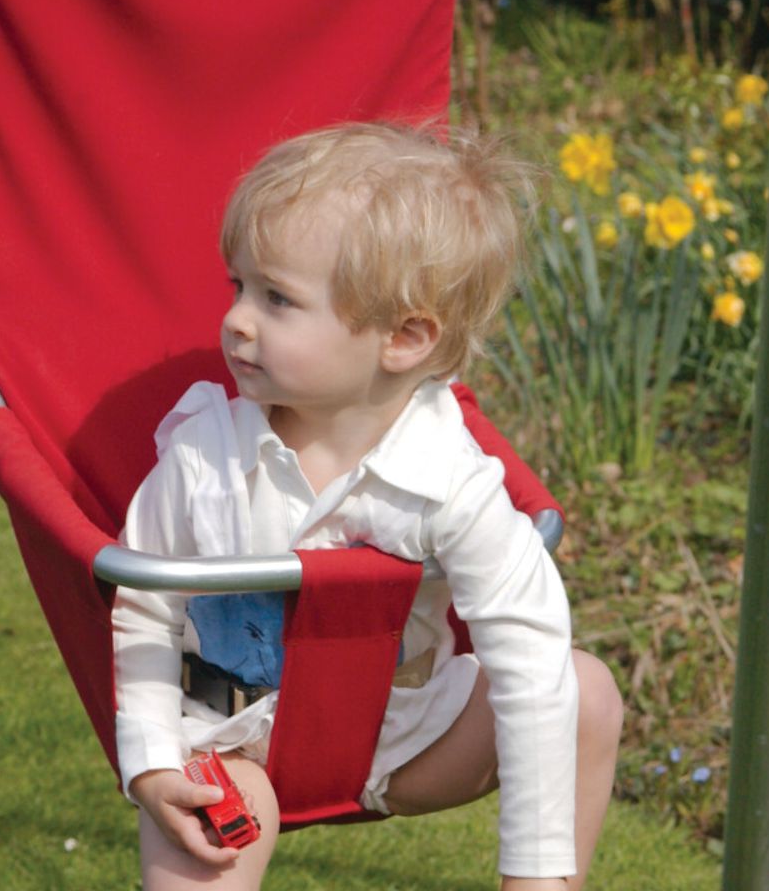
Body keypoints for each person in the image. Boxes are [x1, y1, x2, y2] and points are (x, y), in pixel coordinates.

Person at [113, 121, 624, 891]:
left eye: (278, 298)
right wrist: (152, 765)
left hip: (404, 735)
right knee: (209, 825)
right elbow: (142, 607)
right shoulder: (203, 454)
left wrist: (533, 874)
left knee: (581, 688)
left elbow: (525, 651)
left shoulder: (450, 477)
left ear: (406, 338)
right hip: (232, 739)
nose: (237, 320)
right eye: (239, 286)